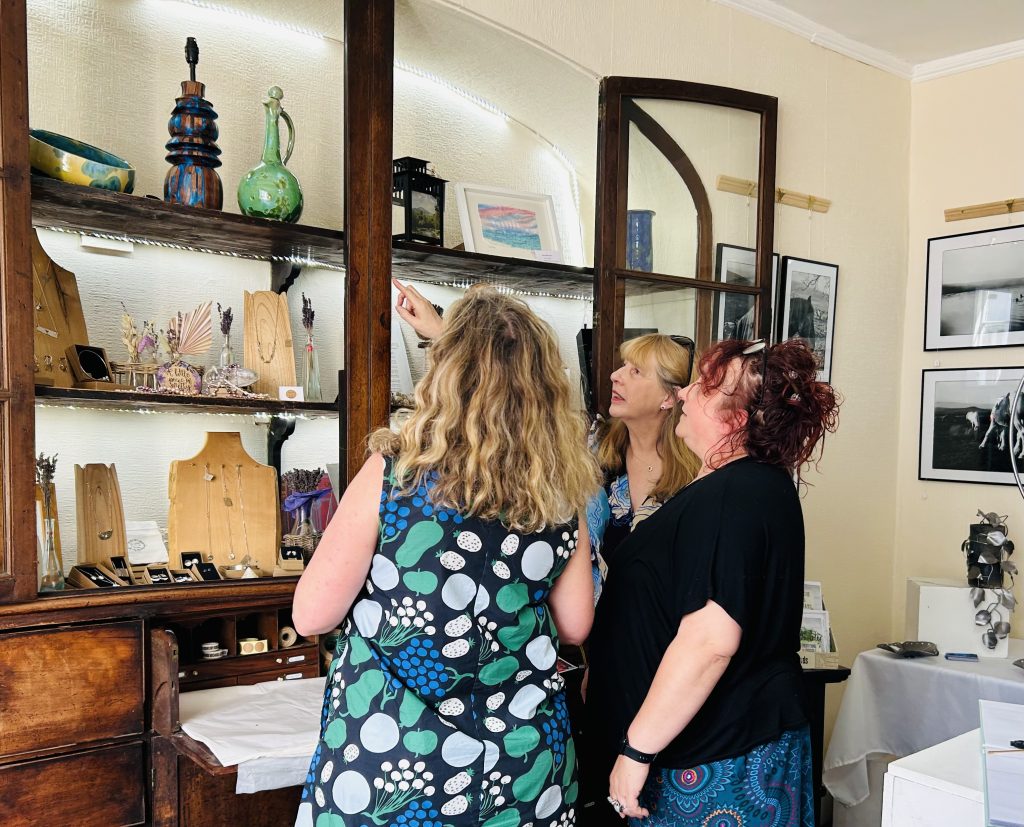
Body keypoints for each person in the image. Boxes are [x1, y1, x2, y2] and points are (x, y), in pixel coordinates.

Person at [292, 283, 600, 827]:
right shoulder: (560, 495)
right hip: (520, 765)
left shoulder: (395, 479)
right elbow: (575, 625)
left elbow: (311, 614)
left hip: (391, 759)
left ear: (443, 377)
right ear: (545, 391)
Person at [586, 337, 840, 826]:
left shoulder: (735, 494)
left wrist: (636, 752)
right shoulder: (752, 484)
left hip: (715, 763)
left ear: (736, 420)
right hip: (720, 747)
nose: (684, 394)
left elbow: (710, 641)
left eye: (701, 387)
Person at [588, 333, 701, 598]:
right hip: (590, 627)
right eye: (623, 365)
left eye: (635, 371)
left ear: (670, 397)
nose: (616, 375)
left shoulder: (697, 473)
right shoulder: (595, 448)